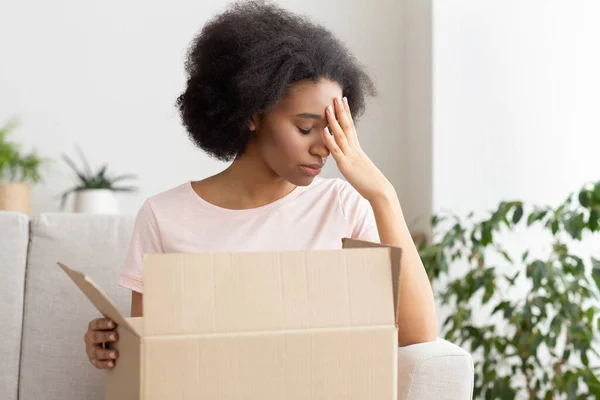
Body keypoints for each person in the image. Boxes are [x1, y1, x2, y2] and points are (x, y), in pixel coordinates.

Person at [84, 0, 437, 370]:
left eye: (332, 130)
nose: (323, 148)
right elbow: (148, 360)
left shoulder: (343, 206)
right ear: (253, 113)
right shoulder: (164, 216)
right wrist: (112, 345)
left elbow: (417, 335)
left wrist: (383, 194)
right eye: (305, 128)